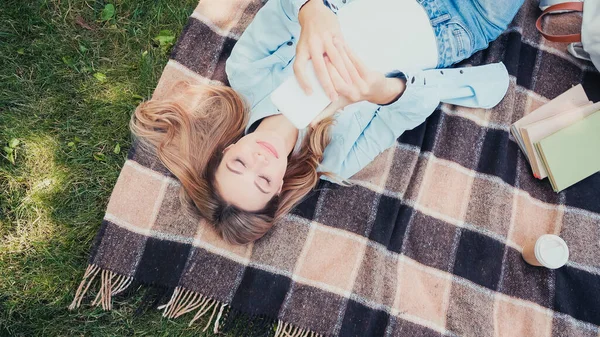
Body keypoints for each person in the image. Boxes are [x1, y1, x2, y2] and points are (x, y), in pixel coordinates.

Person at [131, 0, 524, 245]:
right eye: (264, 181)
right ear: (280, 185)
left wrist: (311, 12)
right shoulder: (334, 158)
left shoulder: (247, 72)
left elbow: (286, 7)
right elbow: (412, 108)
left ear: (226, 149)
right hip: (459, 23)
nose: (261, 162)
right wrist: (377, 90)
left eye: (239, 165)